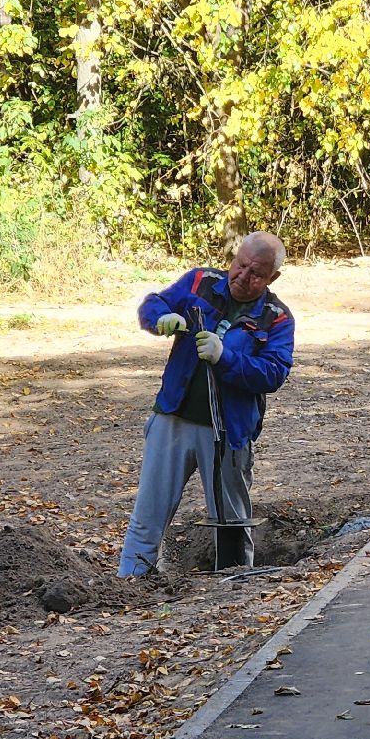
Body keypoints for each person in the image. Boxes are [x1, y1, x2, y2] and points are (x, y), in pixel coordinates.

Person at [117, 231, 294, 577]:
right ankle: (130, 584)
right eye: (240, 265)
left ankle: (233, 591)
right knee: (148, 514)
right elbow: (154, 303)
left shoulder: (276, 318)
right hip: (173, 418)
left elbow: (273, 374)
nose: (242, 277)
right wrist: (160, 320)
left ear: (273, 278)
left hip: (229, 432)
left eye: (255, 273)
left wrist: (224, 357)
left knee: (231, 522)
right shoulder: (200, 281)